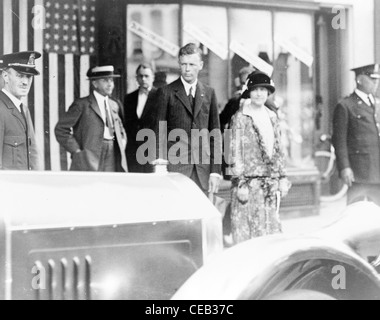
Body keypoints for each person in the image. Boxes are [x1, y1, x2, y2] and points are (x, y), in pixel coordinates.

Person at [229, 71, 291, 243]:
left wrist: (282, 178)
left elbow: (278, 149)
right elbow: (234, 151)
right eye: (255, 89)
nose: (259, 94)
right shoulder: (240, 117)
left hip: (268, 186)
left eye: (263, 90)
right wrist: (240, 183)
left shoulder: (272, 116)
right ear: (249, 91)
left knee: (269, 234)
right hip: (248, 185)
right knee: (247, 235)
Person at [155, 43, 222, 195]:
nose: (187, 69)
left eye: (192, 64)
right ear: (179, 64)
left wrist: (215, 171)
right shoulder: (166, 92)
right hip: (175, 170)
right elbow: (159, 132)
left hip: (202, 172)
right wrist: (161, 167)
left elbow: (215, 135)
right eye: (183, 64)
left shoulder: (209, 93)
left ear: (201, 65)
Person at [55, 65, 128, 172]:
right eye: (105, 80)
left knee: (108, 185)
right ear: (94, 83)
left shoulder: (114, 105)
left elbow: (120, 129)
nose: (110, 84)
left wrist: (122, 142)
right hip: (89, 157)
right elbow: (61, 129)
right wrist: (77, 151)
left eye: (111, 80)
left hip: (112, 154)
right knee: (89, 186)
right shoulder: (82, 104)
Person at [332, 63, 380, 206]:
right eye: (372, 79)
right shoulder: (346, 105)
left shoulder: (376, 105)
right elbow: (339, 140)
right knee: (355, 210)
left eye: (377, 80)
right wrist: (345, 167)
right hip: (359, 171)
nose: (376, 83)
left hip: (377, 168)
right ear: (359, 80)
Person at [0, 51, 42, 170]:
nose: (25, 82)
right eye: (19, 75)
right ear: (5, 76)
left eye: (29, 76)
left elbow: (32, 154)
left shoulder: (23, 109)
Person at [124, 63, 158, 173]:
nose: (143, 79)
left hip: (152, 152)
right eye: (140, 76)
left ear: (153, 77)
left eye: (146, 76)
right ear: (136, 78)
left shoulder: (161, 97)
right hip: (132, 152)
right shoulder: (129, 98)